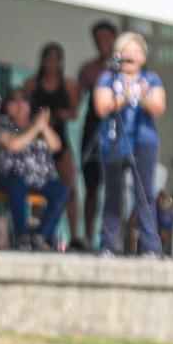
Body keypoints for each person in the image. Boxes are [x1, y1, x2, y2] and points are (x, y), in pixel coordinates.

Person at [93, 31, 166, 257]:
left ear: (143, 57)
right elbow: (102, 107)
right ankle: (107, 244)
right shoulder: (108, 78)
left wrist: (142, 97)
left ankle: (151, 248)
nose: (131, 56)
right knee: (113, 195)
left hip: (144, 141)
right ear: (118, 54)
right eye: (127, 51)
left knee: (145, 195)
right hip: (113, 141)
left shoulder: (151, 79)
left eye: (136, 52)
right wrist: (124, 96)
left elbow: (159, 107)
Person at [0, 89, 68, 251]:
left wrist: (43, 126)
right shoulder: (2, 123)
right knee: (17, 184)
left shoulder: (38, 124)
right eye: (13, 100)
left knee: (61, 190)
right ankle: (23, 237)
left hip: (39, 179)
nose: (19, 105)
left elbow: (56, 145)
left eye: (23, 100)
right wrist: (36, 128)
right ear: (6, 106)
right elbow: (13, 145)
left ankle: (41, 236)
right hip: (9, 177)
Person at [24, 42, 83, 247]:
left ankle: (75, 235)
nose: (53, 62)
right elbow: (23, 110)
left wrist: (54, 115)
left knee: (70, 186)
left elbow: (74, 112)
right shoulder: (32, 84)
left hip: (59, 139)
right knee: (38, 185)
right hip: (37, 142)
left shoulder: (67, 84)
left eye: (57, 58)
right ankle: (39, 231)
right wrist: (39, 119)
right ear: (43, 60)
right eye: (49, 57)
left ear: (61, 62)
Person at [76, 19, 118, 249]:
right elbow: (76, 104)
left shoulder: (124, 67)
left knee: (115, 186)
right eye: (98, 38)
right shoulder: (88, 69)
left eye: (106, 38)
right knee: (91, 185)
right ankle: (89, 236)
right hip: (93, 127)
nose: (102, 42)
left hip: (119, 128)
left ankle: (113, 239)